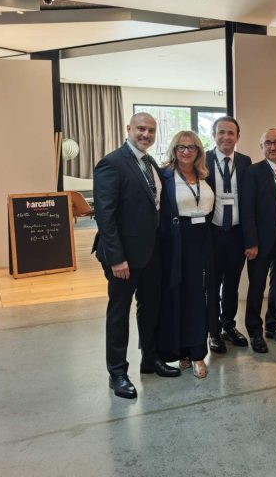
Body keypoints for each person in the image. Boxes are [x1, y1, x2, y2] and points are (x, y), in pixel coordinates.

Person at [93, 112, 180, 400]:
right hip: (124, 257)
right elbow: (105, 215)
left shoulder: (149, 162)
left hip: (152, 252)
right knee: (119, 314)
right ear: (128, 128)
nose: (146, 134)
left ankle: (150, 359)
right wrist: (117, 258)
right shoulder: (112, 163)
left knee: (151, 307)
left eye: (151, 130)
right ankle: (117, 372)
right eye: (141, 129)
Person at [157, 131, 215, 379]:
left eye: (191, 147)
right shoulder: (165, 176)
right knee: (178, 297)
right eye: (181, 147)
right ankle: (182, 351)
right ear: (174, 150)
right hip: (177, 243)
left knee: (199, 297)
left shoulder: (204, 175)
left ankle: (197, 352)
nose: (186, 151)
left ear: (198, 151)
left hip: (204, 240)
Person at [241, 129, 276, 353]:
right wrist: (250, 242)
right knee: (257, 286)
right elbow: (247, 210)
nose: (273, 147)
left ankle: (273, 326)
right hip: (261, 241)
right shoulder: (253, 172)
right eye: (268, 143)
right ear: (262, 146)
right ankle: (254, 331)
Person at [205, 116, 252, 354]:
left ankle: (229, 326)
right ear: (214, 135)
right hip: (212, 234)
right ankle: (213, 332)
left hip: (236, 234)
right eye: (221, 132)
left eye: (231, 133)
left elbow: (248, 201)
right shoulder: (203, 159)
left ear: (238, 137)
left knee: (232, 284)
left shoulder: (245, 161)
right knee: (212, 285)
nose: (226, 137)